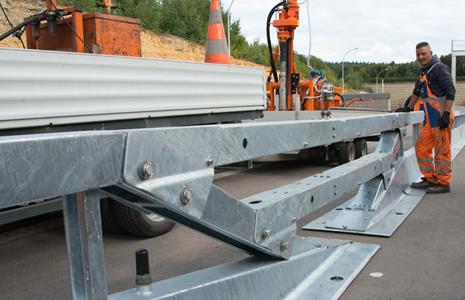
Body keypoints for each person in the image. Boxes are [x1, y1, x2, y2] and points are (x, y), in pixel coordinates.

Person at [397, 42, 456, 193]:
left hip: (441, 116)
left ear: (431, 53)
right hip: (429, 119)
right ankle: (430, 178)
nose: (420, 57)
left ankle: (443, 183)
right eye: (418, 54)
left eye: (423, 53)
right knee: (422, 147)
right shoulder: (423, 71)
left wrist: (446, 114)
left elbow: (451, 91)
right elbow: (416, 91)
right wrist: (408, 108)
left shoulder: (439, 68)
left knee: (442, 150)